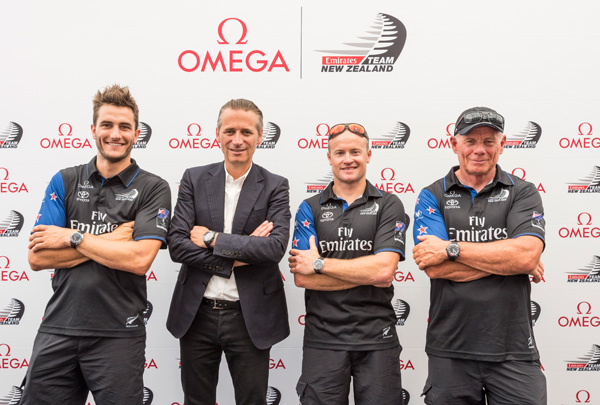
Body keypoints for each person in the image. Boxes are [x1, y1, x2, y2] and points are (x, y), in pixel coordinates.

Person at [22, 84, 171, 404]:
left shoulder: (153, 188)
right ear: (93, 130)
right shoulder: (65, 180)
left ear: (136, 134)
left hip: (118, 334)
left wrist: (72, 237)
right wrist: (110, 240)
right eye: (107, 125)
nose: (115, 134)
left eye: (124, 127)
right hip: (58, 328)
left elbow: (139, 260)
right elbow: (38, 258)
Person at [412, 106, 547, 404]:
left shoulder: (523, 192)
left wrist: (451, 249)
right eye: (470, 141)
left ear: (503, 144)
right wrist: (509, 260)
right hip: (450, 349)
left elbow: (525, 256)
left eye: (489, 141)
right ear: (454, 144)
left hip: (514, 349)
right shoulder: (432, 195)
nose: (479, 150)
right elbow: (434, 267)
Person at [166, 99, 290, 405]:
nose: (237, 140)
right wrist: (241, 253)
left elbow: (273, 248)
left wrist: (211, 238)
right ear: (217, 134)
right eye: (230, 131)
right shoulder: (194, 179)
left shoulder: (275, 185)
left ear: (259, 136)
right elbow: (178, 245)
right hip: (197, 314)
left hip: (250, 317)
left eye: (246, 132)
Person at [289, 123, 407, 405]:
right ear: (329, 157)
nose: (348, 159)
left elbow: (384, 271)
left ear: (368, 155)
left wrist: (319, 264)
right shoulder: (309, 207)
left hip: (377, 338)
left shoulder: (389, 204)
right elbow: (302, 277)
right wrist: (366, 271)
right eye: (340, 152)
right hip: (323, 339)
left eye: (355, 151)